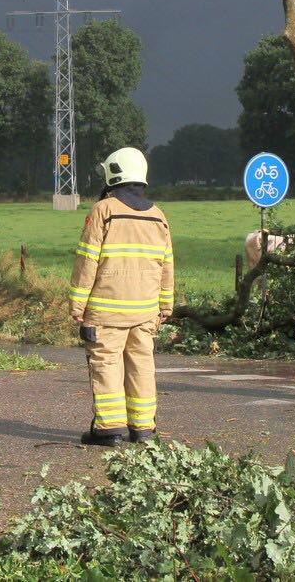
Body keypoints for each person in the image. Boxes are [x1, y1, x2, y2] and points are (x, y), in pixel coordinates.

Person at [69, 147, 175, 446]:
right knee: (142, 365)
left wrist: (78, 305)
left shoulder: (104, 210)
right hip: (145, 312)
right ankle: (143, 430)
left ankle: (109, 430)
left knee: (106, 364)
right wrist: (165, 306)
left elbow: (88, 260)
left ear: (112, 173)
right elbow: (166, 263)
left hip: (106, 312)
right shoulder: (158, 216)